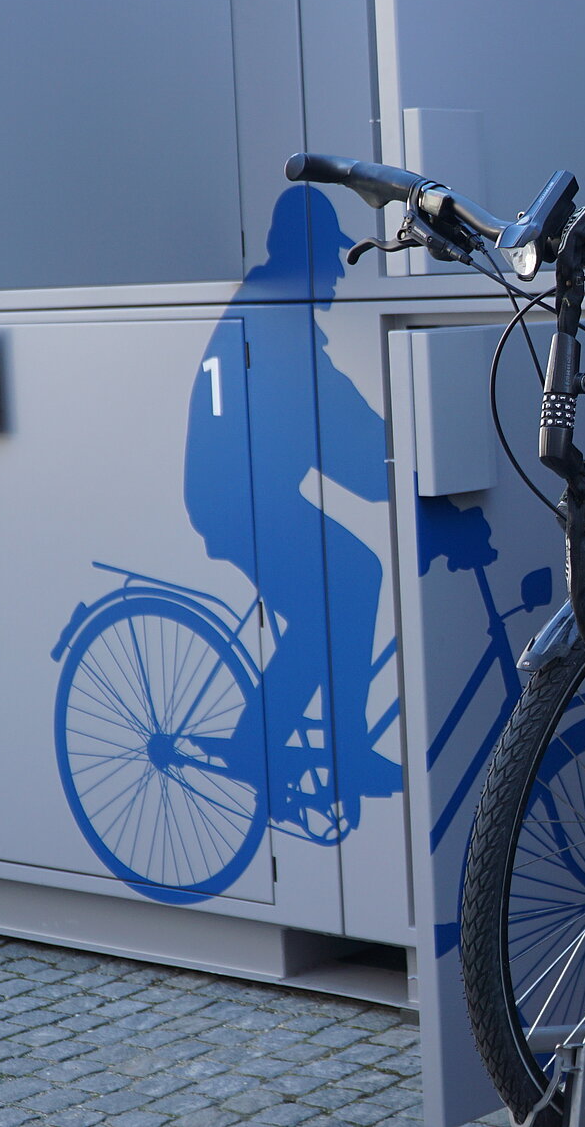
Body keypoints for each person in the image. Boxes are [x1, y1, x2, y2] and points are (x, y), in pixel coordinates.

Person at [184, 186, 399, 838]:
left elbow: (337, 418)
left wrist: (392, 458)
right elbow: (335, 427)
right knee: (350, 584)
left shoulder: (272, 311)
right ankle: (323, 750)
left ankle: (297, 741)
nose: (337, 272)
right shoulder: (276, 324)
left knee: (339, 587)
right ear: (306, 255)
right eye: (330, 258)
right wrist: (409, 470)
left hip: (251, 490)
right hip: (239, 498)